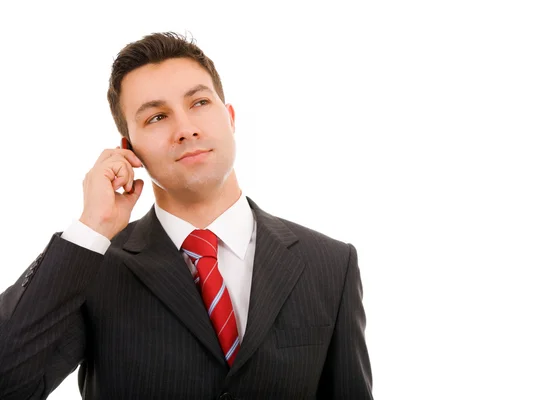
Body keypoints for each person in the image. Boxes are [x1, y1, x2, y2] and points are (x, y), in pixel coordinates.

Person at [0, 32, 373, 399]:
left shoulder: (330, 263)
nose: (185, 129)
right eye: (157, 117)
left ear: (229, 117)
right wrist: (91, 229)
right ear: (130, 151)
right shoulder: (93, 268)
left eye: (199, 103)